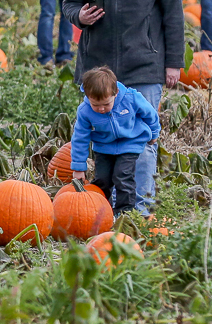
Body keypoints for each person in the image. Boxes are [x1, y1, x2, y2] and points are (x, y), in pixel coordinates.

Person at [62, 0, 184, 217]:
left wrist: (174, 62)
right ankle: (107, 213)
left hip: (143, 62)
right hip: (97, 68)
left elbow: (174, 11)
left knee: (139, 141)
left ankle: (137, 214)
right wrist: (79, 16)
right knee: (104, 142)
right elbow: (70, 2)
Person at [68, 65, 161, 216]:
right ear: (88, 96)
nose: (101, 109)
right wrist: (78, 167)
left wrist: (154, 132)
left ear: (115, 93)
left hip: (130, 143)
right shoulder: (85, 110)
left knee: (122, 175)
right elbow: (80, 138)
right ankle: (102, 212)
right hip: (103, 147)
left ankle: (125, 213)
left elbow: (150, 113)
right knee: (102, 180)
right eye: (95, 105)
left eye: (106, 104)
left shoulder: (131, 98)